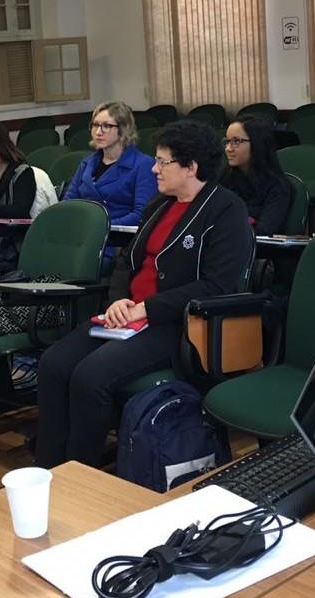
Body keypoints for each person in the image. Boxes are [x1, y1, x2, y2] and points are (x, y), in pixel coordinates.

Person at [35, 120, 253, 468]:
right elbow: (127, 260)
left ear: (191, 167)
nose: (154, 169)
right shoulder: (160, 204)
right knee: (53, 363)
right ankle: (49, 467)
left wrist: (147, 308)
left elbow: (217, 286)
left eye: (163, 162)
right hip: (127, 315)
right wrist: (119, 299)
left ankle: (79, 472)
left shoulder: (226, 210)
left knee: (90, 376)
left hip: (176, 324)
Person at [62, 101, 157, 227]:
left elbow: (141, 215)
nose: (98, 132)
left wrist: (100, 227)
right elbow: (68, 203)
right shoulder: (87, 163)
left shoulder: (143, 165)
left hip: (118, 234)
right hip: (84, 230)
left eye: (106, 126)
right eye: (95, 125)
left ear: (123, 129)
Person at [219, 114, 291, 235]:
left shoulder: (277, 187)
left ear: (257, 143)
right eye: (227, 141)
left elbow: (264, 231)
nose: (228, 148)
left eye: (236, 141)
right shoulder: (224, 177)